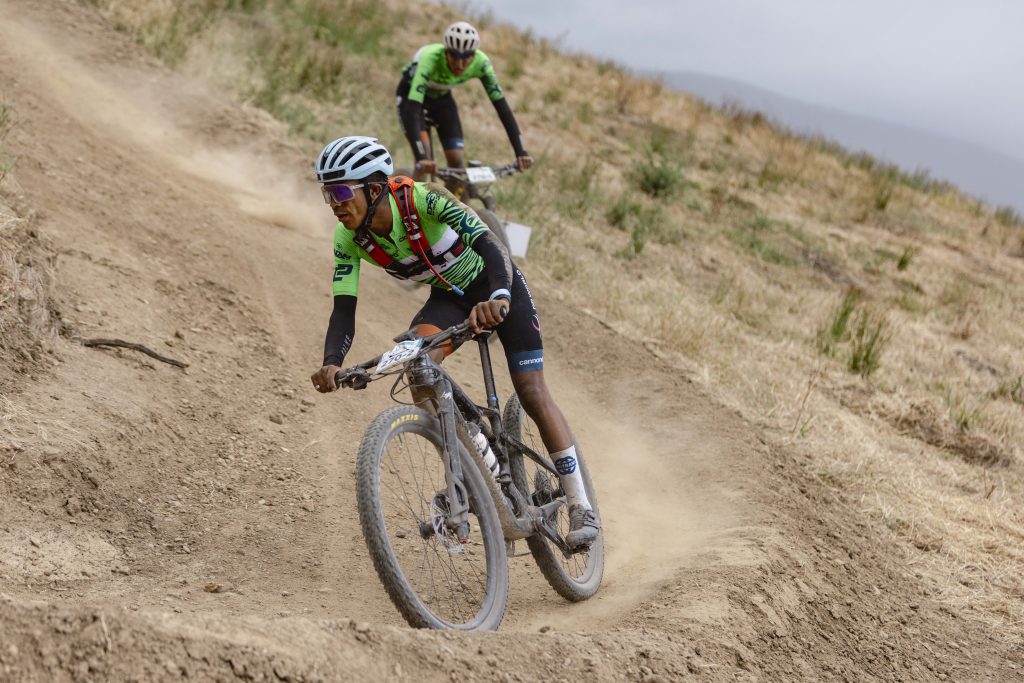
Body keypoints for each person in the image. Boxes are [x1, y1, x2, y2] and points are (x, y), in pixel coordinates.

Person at [309, 136, 598, 550]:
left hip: (497, 284)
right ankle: (480, 471)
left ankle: (579, 503)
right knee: (419, 368)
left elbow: (493, 247)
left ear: (373, 189)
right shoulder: (347, 239)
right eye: (327, 194)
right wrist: (332, 361)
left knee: (531, 391)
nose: (333, 204)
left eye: (340, 192)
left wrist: (499, 297)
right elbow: (343, 310)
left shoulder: (422, 199)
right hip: (449, 298)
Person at [396, 21, 533, 181]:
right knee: (424, 164)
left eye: (466, 58)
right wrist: (421, 157)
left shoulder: (481, 63)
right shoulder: (430, 58)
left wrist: (521, 152)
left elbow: (502, 108)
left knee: (457, 165)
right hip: (411, 98)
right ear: (445, 52)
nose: (459, 64)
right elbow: (413, 108)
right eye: (454, 56)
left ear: (474, 55)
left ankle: (448, 198)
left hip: (442, 99)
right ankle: (406, 195)